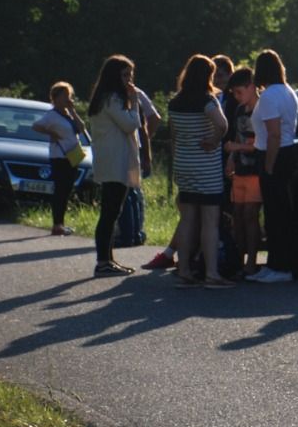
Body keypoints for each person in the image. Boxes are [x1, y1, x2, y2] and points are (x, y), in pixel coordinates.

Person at [166, 54, 231, 288]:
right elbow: (223, 125)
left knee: (187, 219)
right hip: (206, 167)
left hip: (184, 165)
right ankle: (212, 274)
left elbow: (173, 137)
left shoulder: (175, 102)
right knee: (210, 221)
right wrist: (213, 140)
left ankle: (183, 270)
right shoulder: (207, 101)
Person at [246, 49, 298, 283]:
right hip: (286, 153)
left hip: (273, 155)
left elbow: (274, 134)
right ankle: (275, 263)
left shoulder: (269, 96)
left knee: (275, 214)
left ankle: (280, 266)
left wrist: (268, 165)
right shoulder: (289, 92)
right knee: (278, 212)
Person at [86, 55, 143, 276]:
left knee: (111, 212)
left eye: (130, 74)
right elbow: (130, 124)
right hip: (114, 162)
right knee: (110, 212)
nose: (129, 80)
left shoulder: (104, 98)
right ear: (113, 76)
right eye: (124, 75)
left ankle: (108, 259)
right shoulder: (112, 99)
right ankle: (103, 261)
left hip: (110, 160)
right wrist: (135, 101)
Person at [222, 67, 264, 278]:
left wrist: (235, 149)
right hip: (240, 169)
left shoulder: (262, 109)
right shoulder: (239, 111)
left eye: (239, 92)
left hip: (255, 170)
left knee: (250, 215)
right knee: (237, 215)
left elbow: (258, 144)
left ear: (251, 86)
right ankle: (237, 259)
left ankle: (252, 261)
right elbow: (238, 138)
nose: (237, 97)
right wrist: (231, 158)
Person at [31, 81, 87, 236]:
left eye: (69, 96)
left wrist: (73, 111)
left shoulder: (68, 115)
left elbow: (82, 128)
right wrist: (51, 133)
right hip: (59, 157)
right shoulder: (51, 115)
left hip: (72, 156)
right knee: (60, 190)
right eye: (64, 96)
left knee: (67, 190)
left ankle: (61, 224)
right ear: (55, 98)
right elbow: (36, 126)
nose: (68, 99)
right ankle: (57, 224)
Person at [114, 85, 161, 248]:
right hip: (136, 150)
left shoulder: (121, 98)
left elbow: (148, 122)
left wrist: (143, 148)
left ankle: (127, 233)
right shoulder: (137, 94)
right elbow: (148, 124)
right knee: (134, 193)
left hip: (126, 150)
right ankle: (136, 232)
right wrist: (145, 150)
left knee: (126, 194)